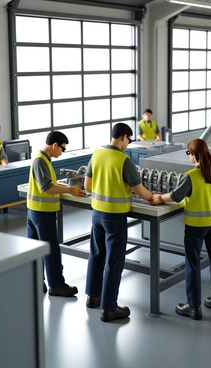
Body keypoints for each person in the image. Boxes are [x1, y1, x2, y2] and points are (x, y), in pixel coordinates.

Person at [150, 139, 211, 320]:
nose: (189, 157)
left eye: (188, 153)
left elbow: (175, 196)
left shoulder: (191, 176)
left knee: (192, 263)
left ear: (194, 154)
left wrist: (159, 198)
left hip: (196, 227)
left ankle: (193, 306)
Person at [84, 123, 153, 322]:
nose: (128, 144)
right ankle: (109, 308)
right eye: (129, 140)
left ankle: (93, 297)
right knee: (114, 262)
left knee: (96, 255)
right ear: (124, 137)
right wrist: (153, 197)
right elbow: (140, 190)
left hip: (97, 214)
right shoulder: (124, 160)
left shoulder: (96, 155)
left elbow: (88, 186)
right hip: (114, 216)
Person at [27, 131, 85, 297]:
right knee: (51, 249)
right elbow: (47, 188)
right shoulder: (40, 161)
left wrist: (65, 187)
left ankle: (37, 282)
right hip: (43, 212)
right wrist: (70, 190)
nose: (62, 152)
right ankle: (56, 284)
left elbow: (48, 183)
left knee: (35, 249)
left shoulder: (43, 159)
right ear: (55, 145)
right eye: (63, 149)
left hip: (35, 210)